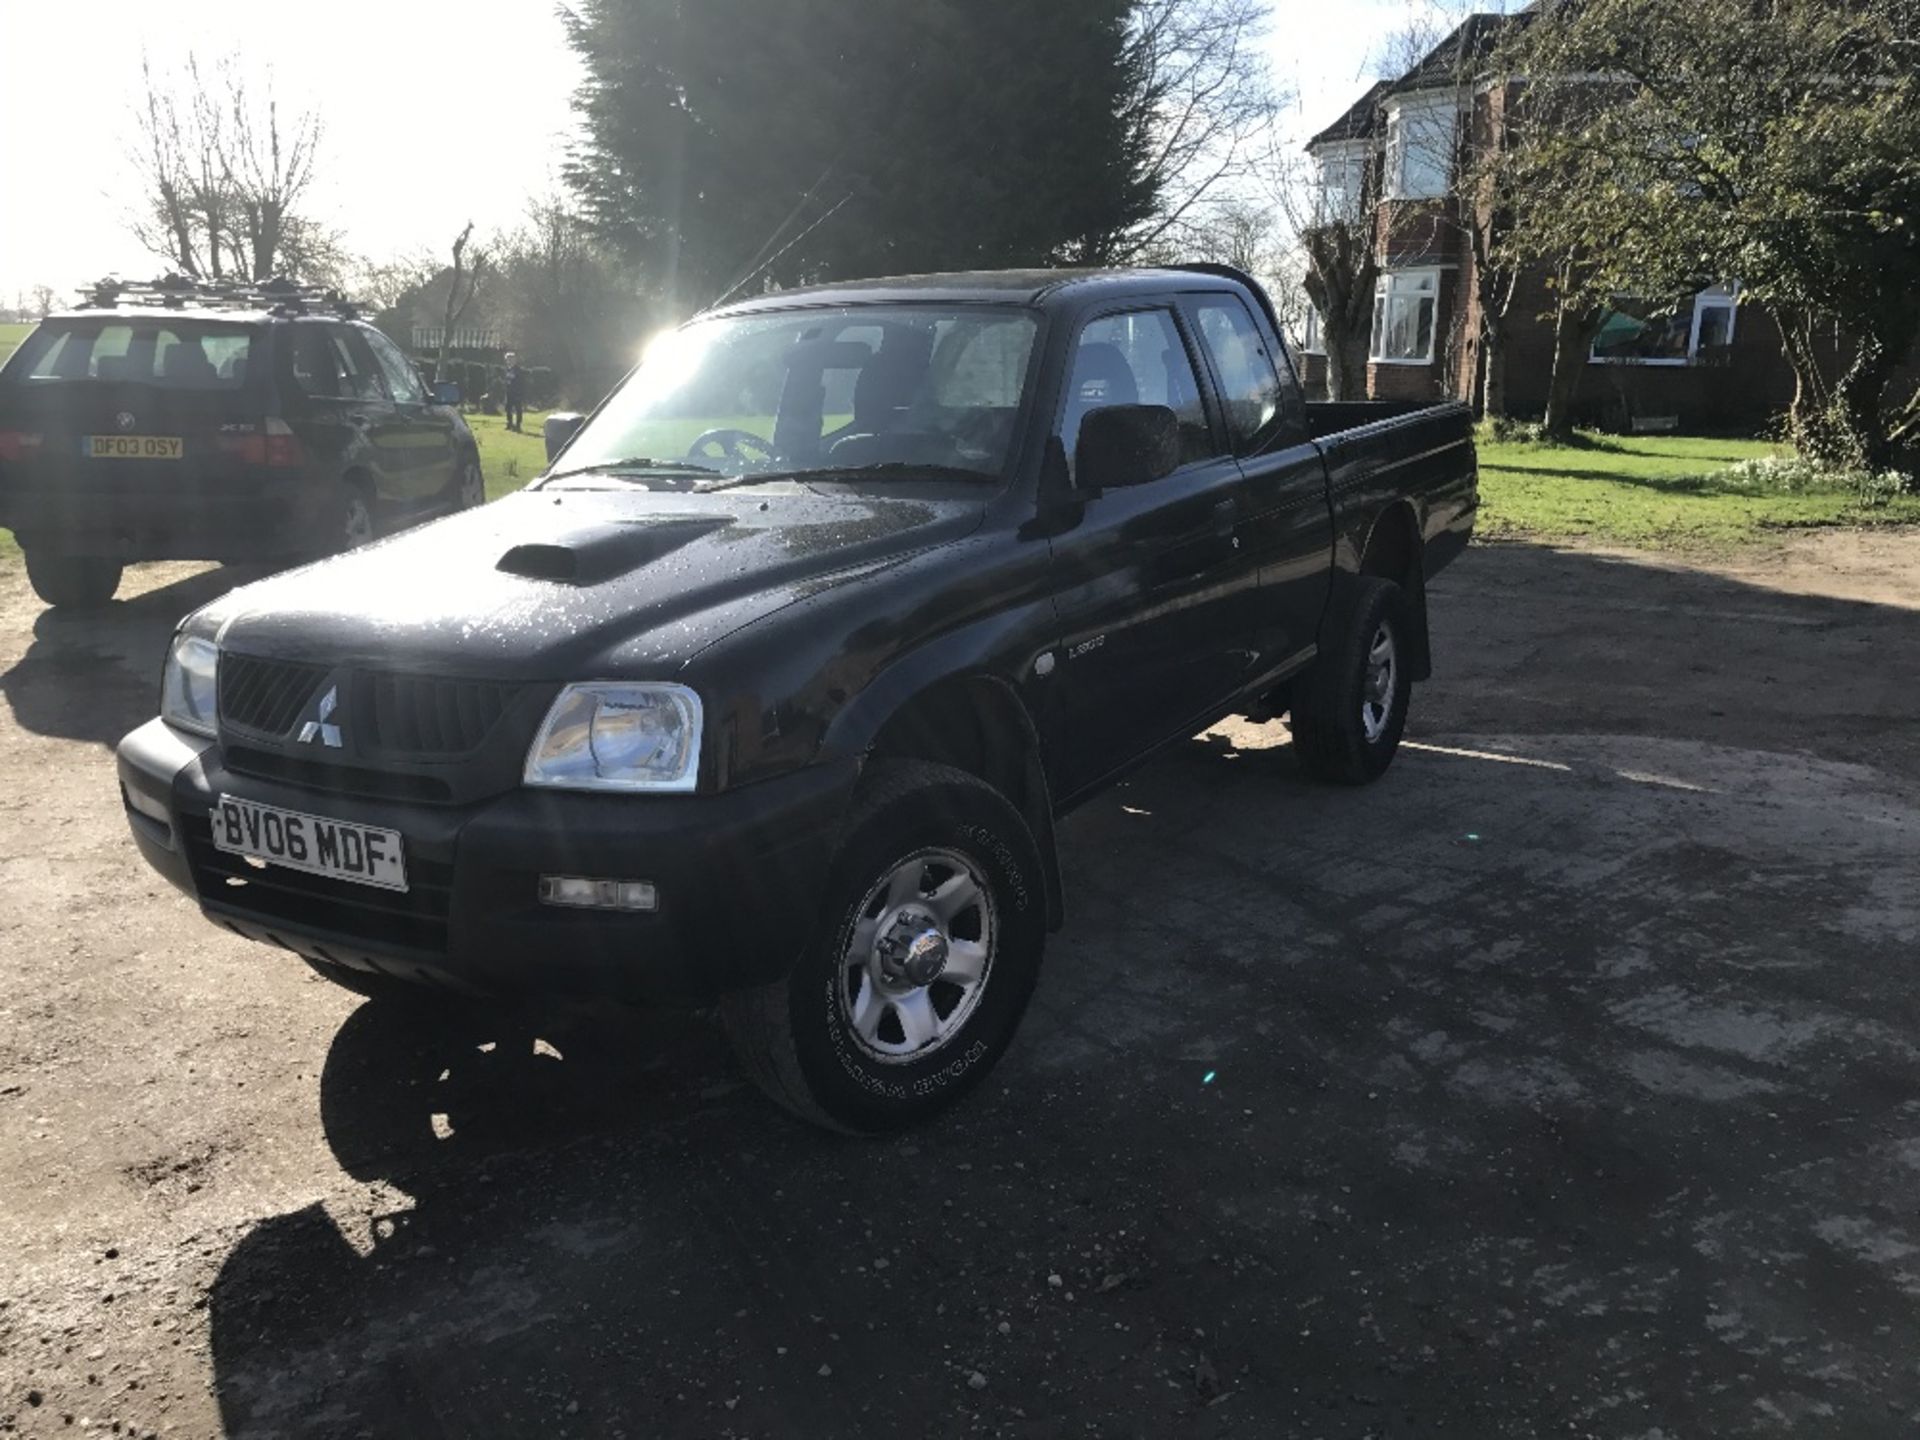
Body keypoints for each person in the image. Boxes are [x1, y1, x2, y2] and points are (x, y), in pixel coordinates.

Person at [502, 352, 527, 432]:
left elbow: (521, 382)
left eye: (511, 359)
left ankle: (518, 425)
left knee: (518, 409)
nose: (509, 361)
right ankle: (509, 424)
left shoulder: (518, 370)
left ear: (514, 360)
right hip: (509, 392)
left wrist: (520, 393)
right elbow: (506, 380)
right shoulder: (507, 370)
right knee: (508, 408)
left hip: (516, 392)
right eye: (507, 359)